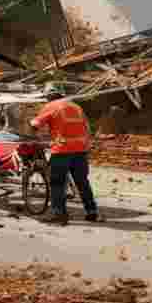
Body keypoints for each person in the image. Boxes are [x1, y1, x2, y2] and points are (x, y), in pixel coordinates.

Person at [31, 89, 99, 226]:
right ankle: (91, 211)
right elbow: (87, 127)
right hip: (81, 150)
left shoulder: (51, 106)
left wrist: (32, 130)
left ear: (49, 98)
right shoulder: (76, 106)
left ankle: (59, 213)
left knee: (57, 182)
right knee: (82, 181)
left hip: (62, 150)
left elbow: (35, 124)